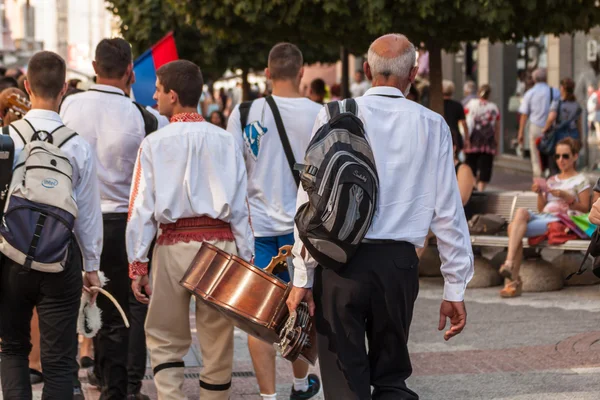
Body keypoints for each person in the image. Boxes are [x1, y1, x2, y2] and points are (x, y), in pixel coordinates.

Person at [288, 33, 474, 400]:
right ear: (413, 74)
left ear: (366, 68)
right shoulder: (432, 124)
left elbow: (309, 199)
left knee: (343, 378)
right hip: (398, 264)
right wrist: (455, 286)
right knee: (391, 376)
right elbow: (448, 211)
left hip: (340, 261)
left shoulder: (335, 113)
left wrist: (302, 276)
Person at [127, 59, 254, 400]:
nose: (154, 96)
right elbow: (241, 206)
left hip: (172, 246)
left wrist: (137, 263)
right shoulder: (226, 141)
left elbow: (141, 207)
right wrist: (247, 256)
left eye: (156, 89)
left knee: (165, 335)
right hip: (220, 246)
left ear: (172, 94)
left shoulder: (154, 143)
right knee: (218, 334)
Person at [60, 37, 165, 400]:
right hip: (123, 224)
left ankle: (77, 381)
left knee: (74, 306)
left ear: (93, 67)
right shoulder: (144, 117)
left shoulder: (69, 106)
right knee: (119, 311)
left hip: (72, 221)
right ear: (130, 73)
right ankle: (115, 389)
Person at [0, 51, 103, 399]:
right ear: (63, 90)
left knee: (12, 349)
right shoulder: (78, 146)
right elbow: (88, 214)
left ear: (26, 86)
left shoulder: (7, 137)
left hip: (9, 257)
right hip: (61, 258)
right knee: (60, 361)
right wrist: (92, 268)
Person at [227, 42, 322, 400]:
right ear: (301, 72)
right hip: (305, 233)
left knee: (257, 317)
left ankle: (268, 396)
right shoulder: (321, 113)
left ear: (267, 73)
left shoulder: (246, 111)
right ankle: (300, 385)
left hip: (259, 230)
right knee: (300, 312)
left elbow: (236, 171)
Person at [498, 138, 590, 298]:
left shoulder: (581, 180)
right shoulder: (552, 180)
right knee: (520, 212)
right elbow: (541, 208)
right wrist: (540, 193)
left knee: (513, 228)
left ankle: (512, 276)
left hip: (562, 220)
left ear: (575, 157)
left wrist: (568, 198)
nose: (561, 160)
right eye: (557, 156)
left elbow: (585, 209)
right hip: (544, 216)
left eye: (565, 156)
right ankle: (511, 269)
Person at [518, 68, 560, 177]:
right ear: (546, 78)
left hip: (535, 126)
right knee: (551, 152)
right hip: (551, 127)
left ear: (534, 79)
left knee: (536, 155)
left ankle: (538, 176)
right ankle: (550, 174)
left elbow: (524, 114)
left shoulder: (530, 93)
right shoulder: (554, 91)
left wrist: (521, 132)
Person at [542, 77, 582, 176]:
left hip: (560, 136)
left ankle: (557, 184)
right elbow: (579, 124)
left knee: (556, 162)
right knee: (571, 162)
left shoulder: (557, 102)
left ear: (562, 88)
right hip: (573, 135)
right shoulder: (576, 105)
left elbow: (551, 118)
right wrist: (580, 138)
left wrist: (545, 129)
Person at [464, 84, 501, 191]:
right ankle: (481, 189)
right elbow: (497, 127)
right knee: (486, 166)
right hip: (488, 141)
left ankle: (473, 185)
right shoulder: (494, 107)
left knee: (471, 164)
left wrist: (465, 139)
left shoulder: (471, 104)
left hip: (473, 139)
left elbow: (464, 120)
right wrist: (496, 142)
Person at [443, 79, 469, 150]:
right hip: (455, 137)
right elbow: (464, 123)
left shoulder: (437, 105)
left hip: (442, 136)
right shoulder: (458, 105)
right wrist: (467, 139)